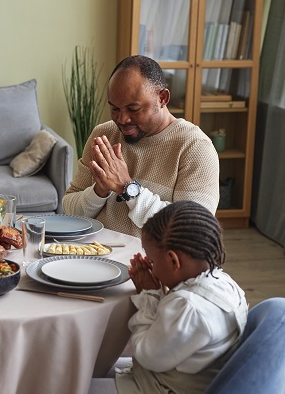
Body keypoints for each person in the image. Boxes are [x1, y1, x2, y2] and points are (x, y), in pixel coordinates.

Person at [62, 55, 219, 237]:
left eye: (133, 109)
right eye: (114, 108)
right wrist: (98, 192)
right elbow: (69, 211)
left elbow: (193, 231)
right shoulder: (103, 135)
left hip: (148, 264)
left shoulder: (195, 147)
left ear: (162, 98)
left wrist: (128, 188)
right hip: (93, 257)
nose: (122, 119)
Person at [115, 200, 248, 393]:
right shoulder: (225, 283)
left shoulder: (188, 307)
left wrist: (149, 296)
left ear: (173, 260)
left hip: (157, 387)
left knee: (76, 383)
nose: (151, 267)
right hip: (173, 377)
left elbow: (145, 355)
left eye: (152, 261)